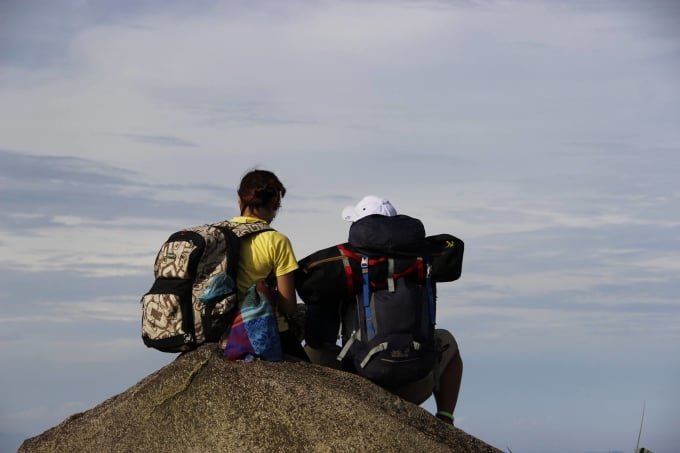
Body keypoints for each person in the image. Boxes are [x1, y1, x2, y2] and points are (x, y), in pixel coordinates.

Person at [304, 195, 463, 425]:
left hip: (358, 382)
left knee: (310, 350)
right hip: (414, 383)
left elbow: (318, 336)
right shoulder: (421, 262)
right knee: (449, 341)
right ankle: (445, 419)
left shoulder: (346, 267)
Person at [231, 169, 309, 361]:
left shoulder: (220, 235)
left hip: (223, 327)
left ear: (240, 201)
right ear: (275, 203)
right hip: (266, 330)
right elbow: (288, 306)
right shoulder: (276, 240)